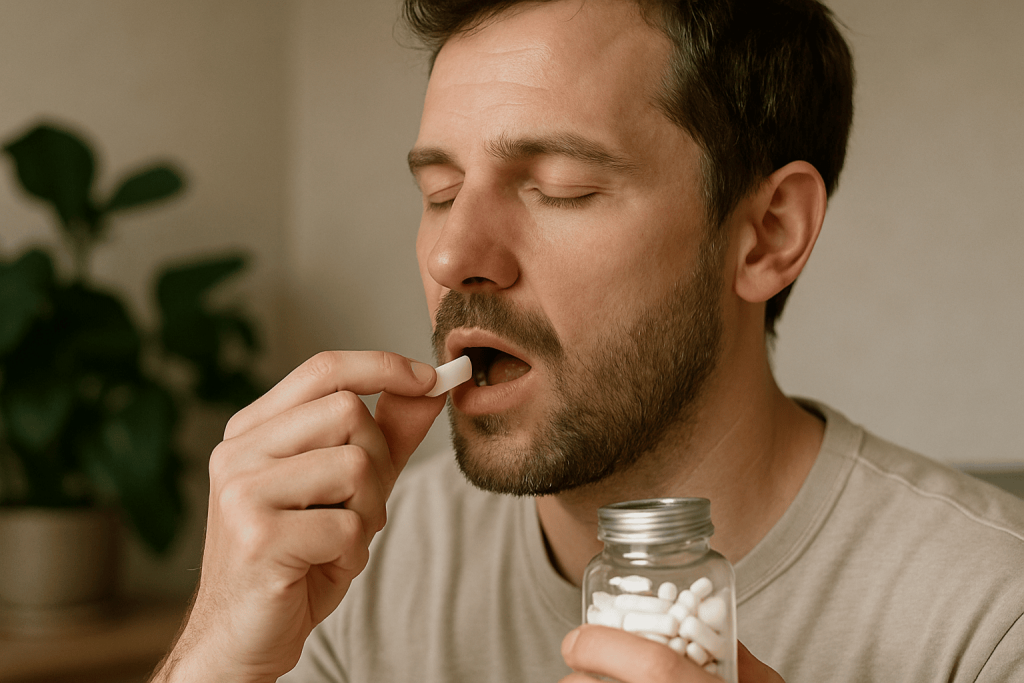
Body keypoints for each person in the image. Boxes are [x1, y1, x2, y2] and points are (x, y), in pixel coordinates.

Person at [150, 0, 1024, 681]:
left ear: (766, 234)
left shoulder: (991, 621)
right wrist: (213, 657)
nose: (455, 255)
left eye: (559, 186)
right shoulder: (358, 571)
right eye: (443, 190)